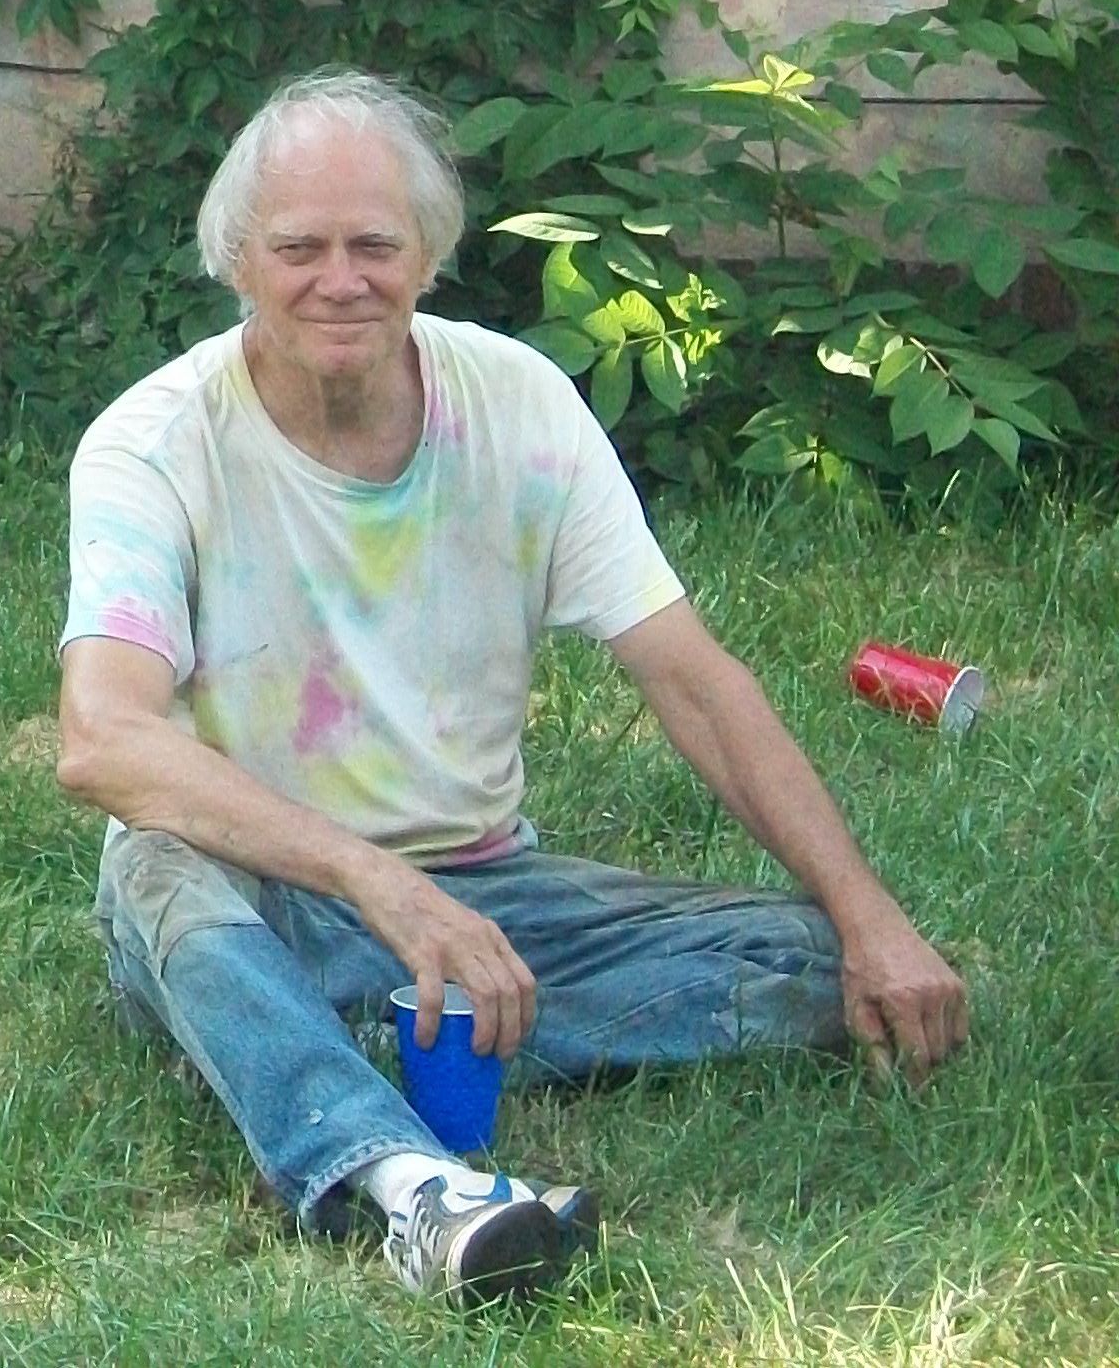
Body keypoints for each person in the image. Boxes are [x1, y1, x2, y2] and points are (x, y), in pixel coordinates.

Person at [53, 68, 970, 1307]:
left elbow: (691, 680)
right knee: (155, 870)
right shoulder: (152, 445)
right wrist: (375, 883)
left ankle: (336, 1035)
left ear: (428, 255)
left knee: (813, 962)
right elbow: (102, 739)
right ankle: (407, 1186)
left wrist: (870, 919)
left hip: (487, 891)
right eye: (299, 248)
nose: (340, 279)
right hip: (260, 886)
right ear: (236, 262)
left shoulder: (518, 402)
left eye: (375, 245)